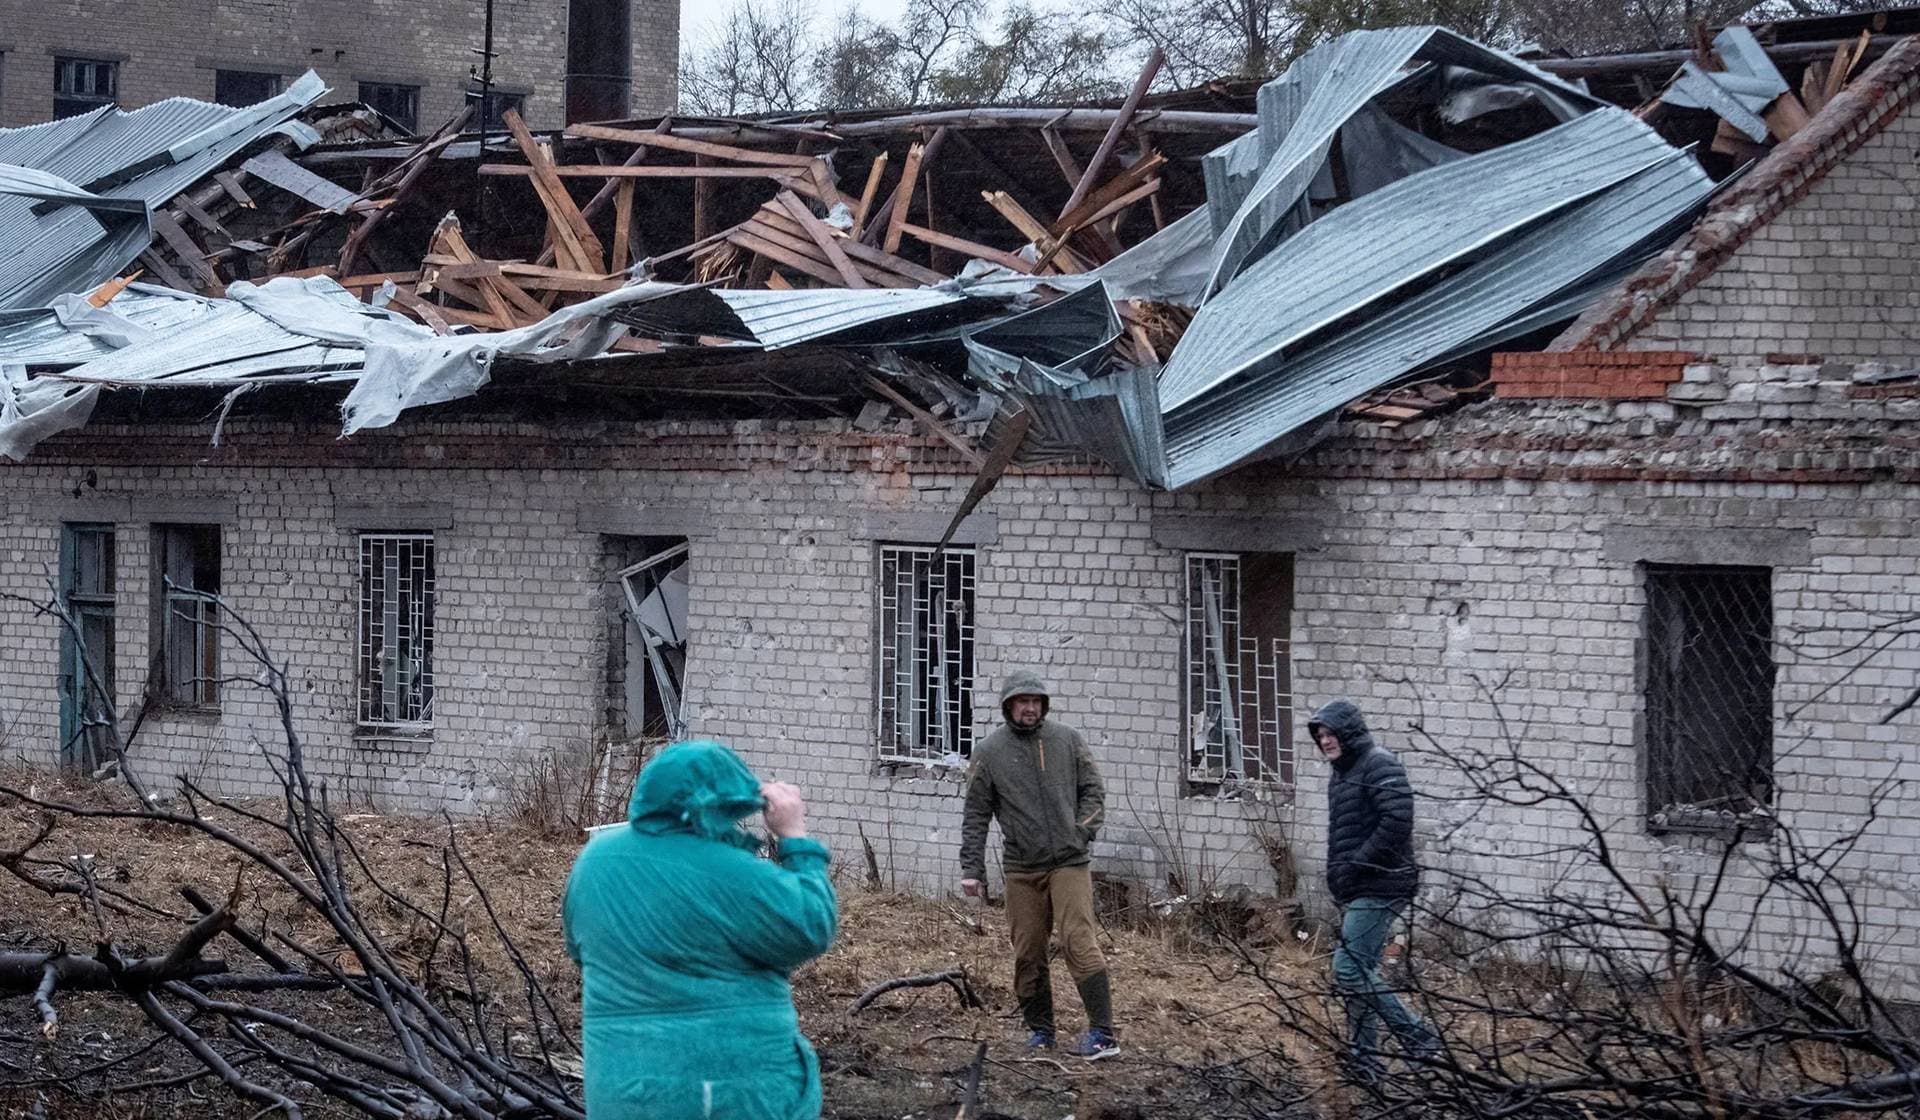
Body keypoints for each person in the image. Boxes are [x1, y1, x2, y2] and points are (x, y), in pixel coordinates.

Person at [564, 740, 838, 1120]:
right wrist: (794, 835)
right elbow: (812, 925)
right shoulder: (733, 873)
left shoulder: (593, 861)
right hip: (724, 1090)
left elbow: (581, 950)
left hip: (620, 1089)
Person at [960, 669, 1119, 1060]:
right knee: (1028, 949)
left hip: (1069, 862)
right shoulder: (989, 752)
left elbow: (1094, 791)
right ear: (1008, 706)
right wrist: (971, 869)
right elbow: (976, 813)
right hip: (1021, 867)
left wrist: (1080, 832)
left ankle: (1102, 1034)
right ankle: (1041, 1032)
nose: (1029, 708)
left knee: (1077, 941)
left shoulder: (1067, 740)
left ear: (1043, 705)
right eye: (1022, 701)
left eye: (1035, 701)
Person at [1309, 699, 1438, 1082]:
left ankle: (1419, 1038)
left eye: (1331, 734)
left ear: (1348, 732)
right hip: (1361, 885)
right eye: (1321, 736)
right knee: (1361, 972)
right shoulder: (1342, 772)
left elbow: (1397, 820)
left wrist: (1355, 867)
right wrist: (1341, 877)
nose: (1326, 742)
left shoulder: (1378, 763)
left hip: (1384, 882)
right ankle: (1366, 1064)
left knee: (1348, 969)